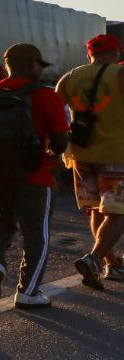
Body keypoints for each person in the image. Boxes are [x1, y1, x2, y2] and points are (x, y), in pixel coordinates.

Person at [0, 44, 69, 307]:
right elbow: (61, 141)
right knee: (35, 234)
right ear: (29, 64)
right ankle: (28, 291)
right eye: (40, 64)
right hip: (34, 176)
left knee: (0, 223)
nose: (41, 69)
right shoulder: (44, 95)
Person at [56, 33, 124, 288]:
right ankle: (95, 259)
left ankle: (112, 264)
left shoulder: (69, 77)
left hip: (81, 155)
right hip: (117, 155)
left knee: (96, 210)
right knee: (117, 214)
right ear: (117, 52)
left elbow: (54, 112)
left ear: (89, 54)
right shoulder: (120, 74)